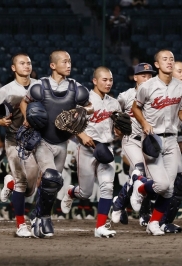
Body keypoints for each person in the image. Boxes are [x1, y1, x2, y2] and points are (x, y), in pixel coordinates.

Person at [130, 49, 182, 235]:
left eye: (171, 59)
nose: (169, 62)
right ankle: (139, 186)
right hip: (153, 139)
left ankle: (155, 222)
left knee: (171, 187)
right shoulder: (147, 86)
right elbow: (135, 108)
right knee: (162, 185)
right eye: (164, 59)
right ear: (156, 64)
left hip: (172, 140)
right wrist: (144, 123)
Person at [20, 50, 93, 238]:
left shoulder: (76, 88)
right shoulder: (39, 86)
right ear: (53, 65)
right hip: (42, 140)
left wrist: (82, 110)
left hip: (63, 142)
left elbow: (90, 106)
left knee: (53, 183)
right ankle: (43, 218)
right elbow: (24, 102)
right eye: (64, 62)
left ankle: (39, 215)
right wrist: (27, 117)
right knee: (51, 177)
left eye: (70, 61)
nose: (69, 65)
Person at [61, 66, 121, 238]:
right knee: (86, 193)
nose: (108, 83)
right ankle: (72, 192)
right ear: (95, 81)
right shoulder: (84, 100)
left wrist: (119, 131)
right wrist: (82, 134)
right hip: (86, 149)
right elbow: (67, 121)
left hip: (106, 148)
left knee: (107, 187)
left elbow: (118, 128)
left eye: (110, 80)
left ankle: (100, 227)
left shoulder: (114, 103)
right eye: (104, 79)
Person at [0, 53, 39, 237]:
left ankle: (9, 183)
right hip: (14, 140)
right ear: (13, 68)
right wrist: (0, 122)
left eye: (29, 62)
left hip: (35, 140)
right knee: (21, 182)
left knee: (30, 189)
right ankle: (20, 225)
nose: (26, 65)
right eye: (22, 63)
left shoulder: (39, 86)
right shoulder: (6, 90)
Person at [111, 63, 155, 228]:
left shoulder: (156, 96)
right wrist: (115, 127)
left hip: (149, 142)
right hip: (131, 140)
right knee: (139, 170)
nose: (147, 78)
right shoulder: (126, 96)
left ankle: (124, 203)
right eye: (143, 75)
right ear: (135, 77)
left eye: (150, 75)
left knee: (147, 179)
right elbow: (112, 112)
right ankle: (124, 203)